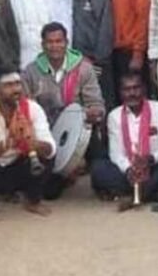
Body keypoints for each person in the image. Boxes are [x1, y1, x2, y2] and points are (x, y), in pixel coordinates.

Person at [21, 23, 106, 199]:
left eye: (59, 41)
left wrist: (92, 114)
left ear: (67, 42)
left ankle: (93, 173)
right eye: (49, 42)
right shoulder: (30, 72)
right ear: (42, 45)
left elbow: (97, 105)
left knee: (102, 176)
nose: (54, 46)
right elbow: (26, 110)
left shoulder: (83, 68)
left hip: (82, 131)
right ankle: (64, 175)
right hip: (47, 134)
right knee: (49, 193)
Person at [0, 72, 56, 220]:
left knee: (45, 157)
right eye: (8, 85)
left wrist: (33, 143)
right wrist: (10, 142)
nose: (15, 89)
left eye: (17, 84)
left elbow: (51, 149)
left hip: (19, 167)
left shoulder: (33, 108)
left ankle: (32, 200)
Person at [91, 74, 158, 208]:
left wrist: (149, 159)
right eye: (126, 89)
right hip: (128, 172)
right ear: (120, 93)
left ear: (144, 89)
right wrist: (128, 170)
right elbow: (116, 154)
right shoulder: (114, 116)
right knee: (99, 168)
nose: (132, 93)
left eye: (136, 88)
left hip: (154, 167)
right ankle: (152, 193)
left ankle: (135, 195)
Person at [71, 0, 116, 108]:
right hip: (75, 61)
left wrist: (99, 59)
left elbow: (106, 28)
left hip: (97, 62)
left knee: (101, 103)